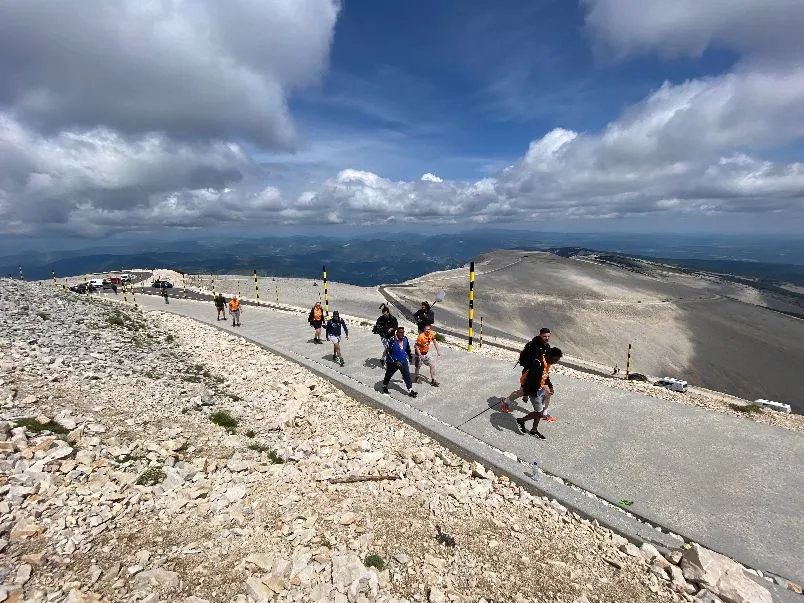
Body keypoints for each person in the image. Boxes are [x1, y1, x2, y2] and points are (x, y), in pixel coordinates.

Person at [501, 348, 563, 439]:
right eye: (554, 360)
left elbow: (546, 376)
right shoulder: (537, 363)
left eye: (556, 361)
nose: (555, 362)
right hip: (534, 391)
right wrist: (525, 394)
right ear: (549, 356)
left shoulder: (546, 363)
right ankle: (521, 420)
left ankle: (534, 430)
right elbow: (529, 379)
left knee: (539, 412)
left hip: (540, 389)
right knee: (540, 412)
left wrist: (550, 386)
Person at [510, 327, 553, 413]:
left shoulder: (546, 346)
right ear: (540, 335)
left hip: (542, 373)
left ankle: (544, 412)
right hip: (529, 373)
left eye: (548, 336)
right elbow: (532, 365)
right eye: (545, 336)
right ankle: (506, 402)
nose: (547, 338)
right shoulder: (534, 346)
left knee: (548, 392)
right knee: (521, 392)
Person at [382, 326, 418, 398]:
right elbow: (388, 352)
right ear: (397, 333)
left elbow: (407, 349)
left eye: (403, 332)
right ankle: (384, 386)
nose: (402, 334)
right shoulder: (392, 340)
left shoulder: (405, 339)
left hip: (403, 360)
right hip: (392, 362)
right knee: (389, 374)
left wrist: (410, 357)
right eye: (400, 332)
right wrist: (395, 361)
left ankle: (410, 390)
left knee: (406, 375)